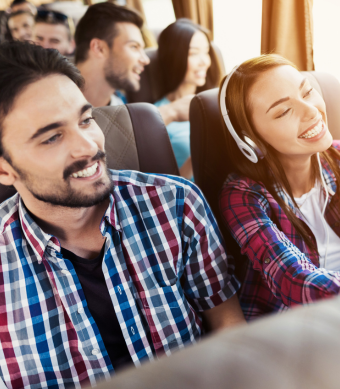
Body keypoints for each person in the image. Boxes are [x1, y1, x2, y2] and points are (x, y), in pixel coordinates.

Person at [0, 41, 244, 388]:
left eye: (86, 120)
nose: (89, 146)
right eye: (53, 137)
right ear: (4, 170)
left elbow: (227, 326)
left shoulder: (175, 204)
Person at [219, 54, 340, 321]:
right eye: (284, 111)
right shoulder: (243, 195)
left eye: (307, 92)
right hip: (291, 333)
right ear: (250, 141)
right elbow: (293, 279)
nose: (312, 111)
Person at [75, 2, 194, 126]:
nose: (145, 60)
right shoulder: (58, 105)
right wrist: (169, 112)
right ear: (99, 48)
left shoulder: (120, 103)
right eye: (134, 47)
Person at [154, 19, 221, 179]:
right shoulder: (158, 115)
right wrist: (198, 155)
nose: (204, 61)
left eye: (206, 52)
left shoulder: (217, 101)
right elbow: (167, 190)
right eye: (193, 53)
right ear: (173, 56)